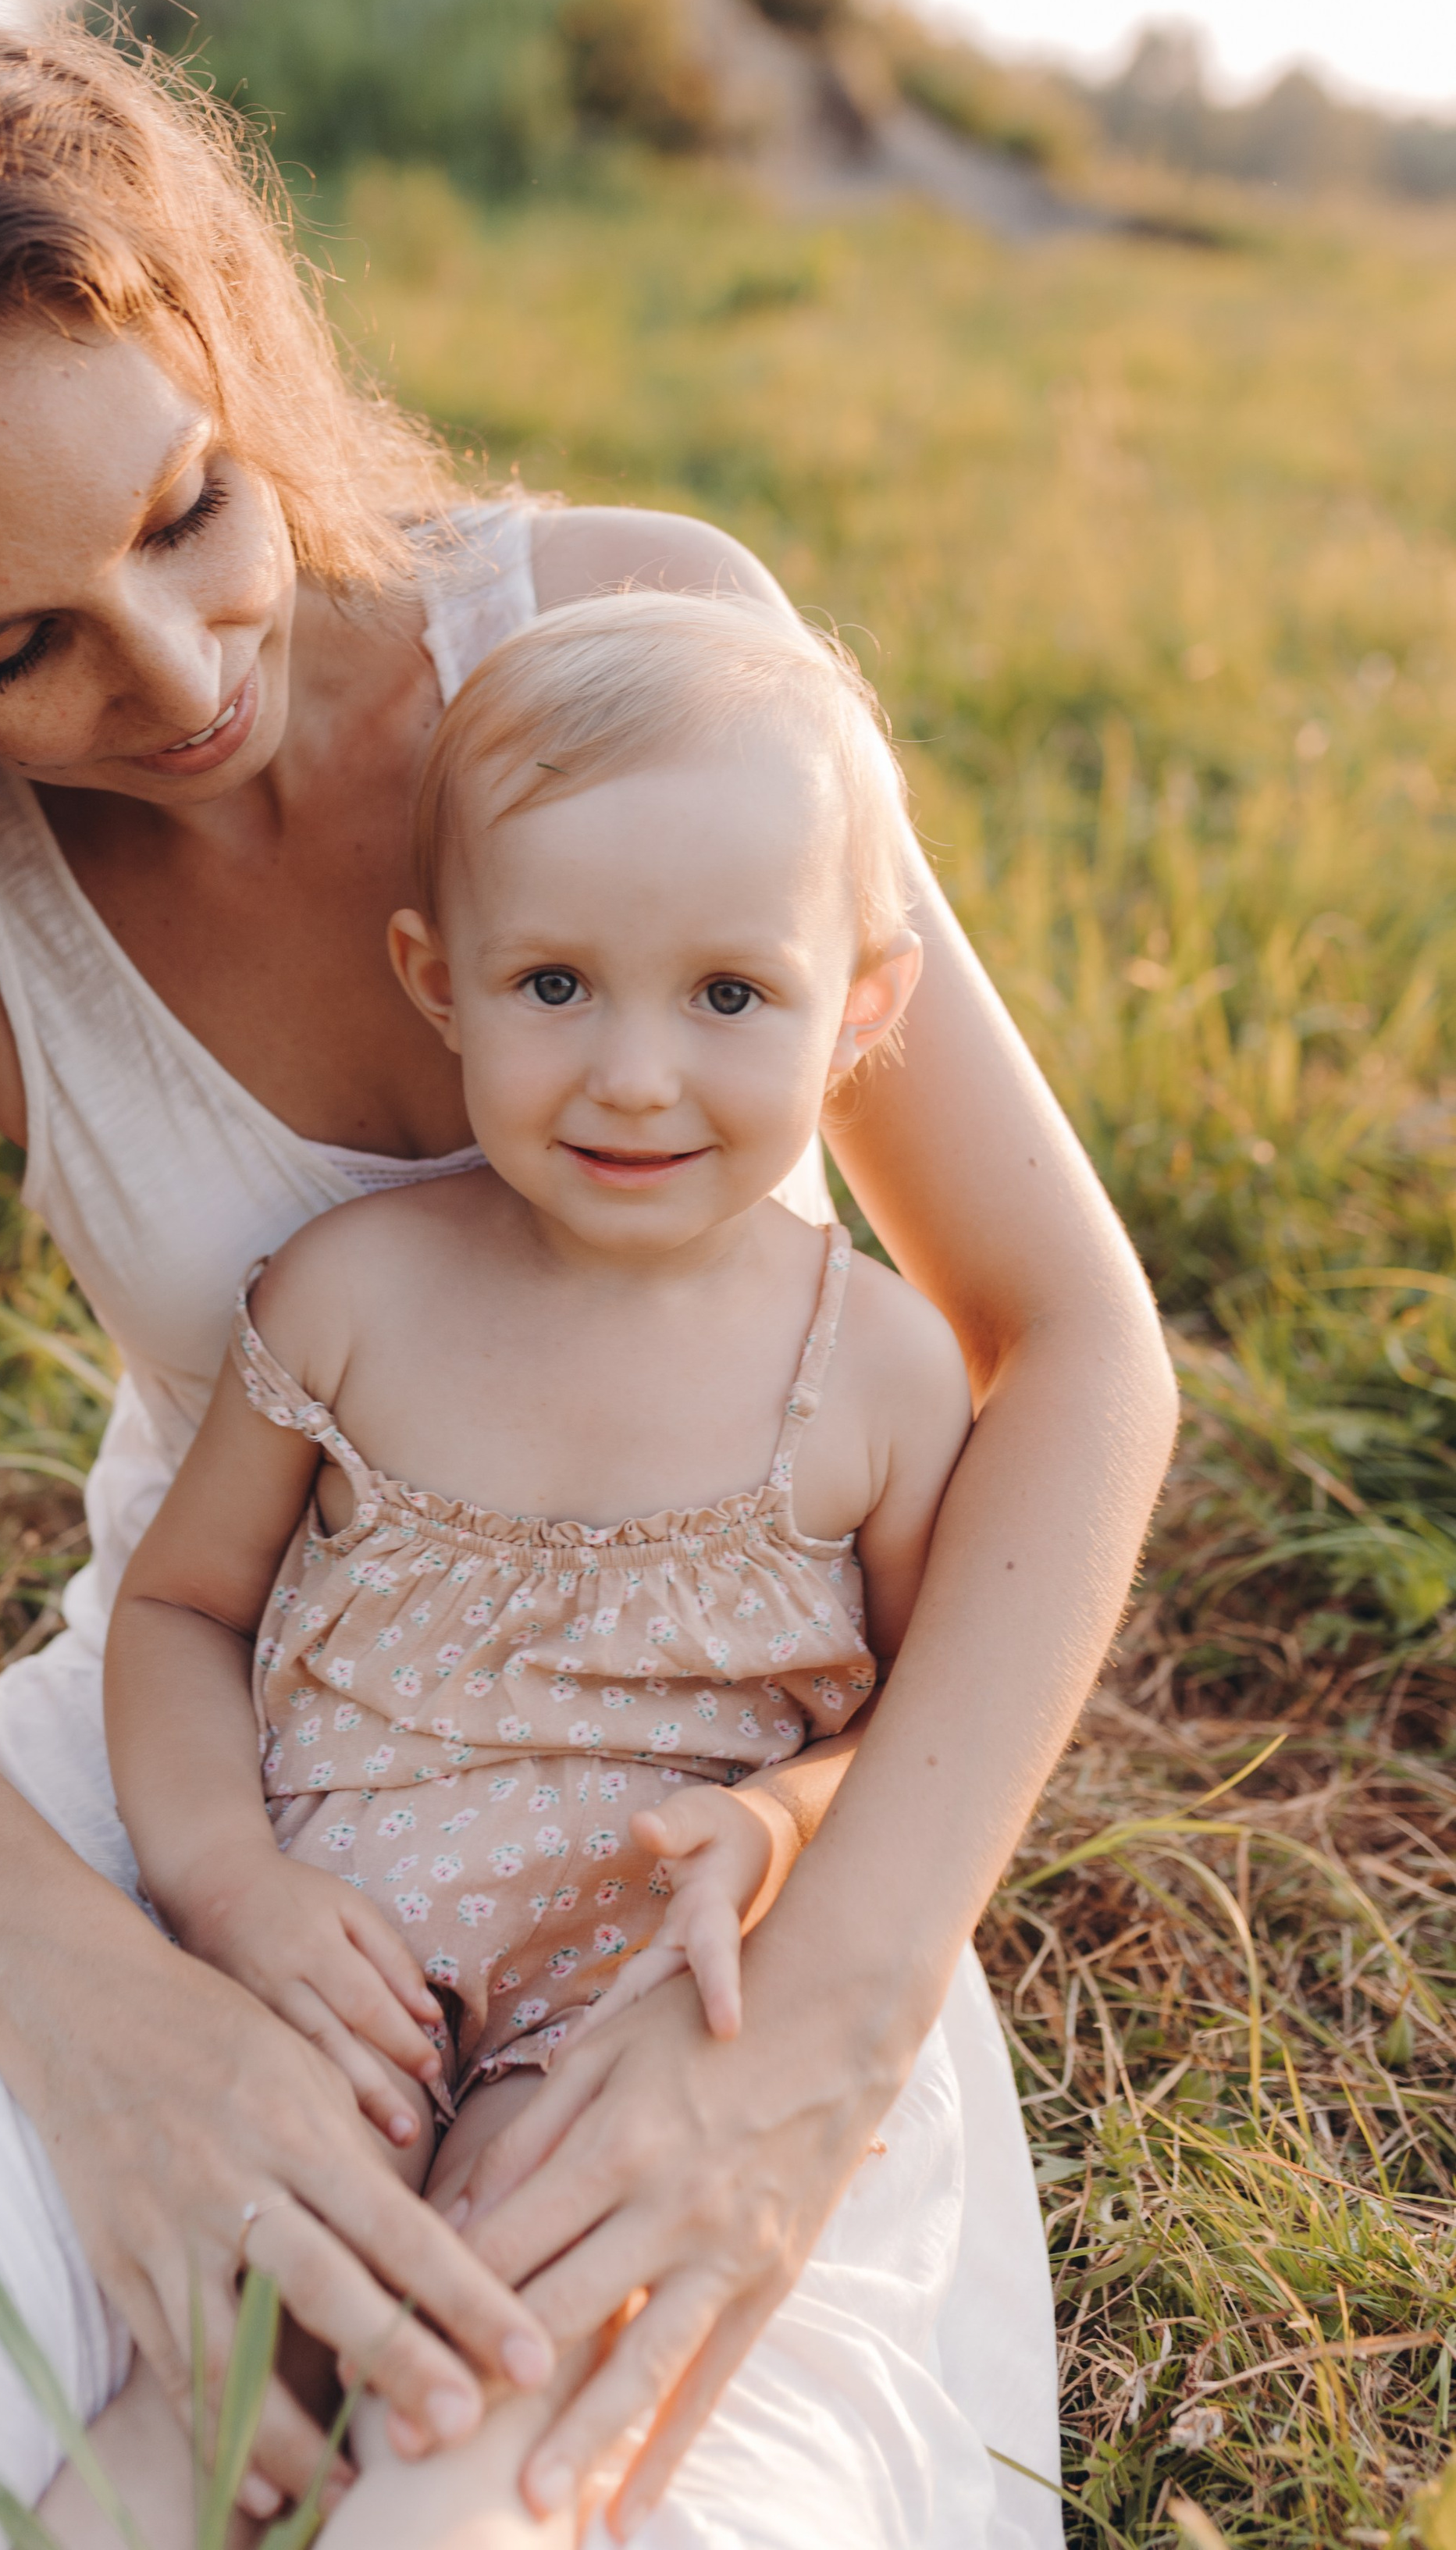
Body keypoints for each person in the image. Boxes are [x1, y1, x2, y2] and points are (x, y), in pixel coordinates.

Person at [0, 6, 1176, 2550]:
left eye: (188, 511)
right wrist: (116, 2038)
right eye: (11, 648)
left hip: (671, 1885)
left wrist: (830, 2011)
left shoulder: (646, 651)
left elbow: (1076, 1353)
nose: (177, 678)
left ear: (233, 351)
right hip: (194, 1790)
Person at [109, 592, 984, 2546]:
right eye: (557, 984)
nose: (635, 1076)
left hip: (623, 2008)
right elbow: (180, 1609)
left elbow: (932, 1719)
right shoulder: (351, 1294)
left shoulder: (875, 1372)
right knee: (210, 2398)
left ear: (863, 1007)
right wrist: (225, 1877)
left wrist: (772, 1826)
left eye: (729, 996)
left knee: (490, 2395)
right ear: (437, 979)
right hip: (333, 1968)